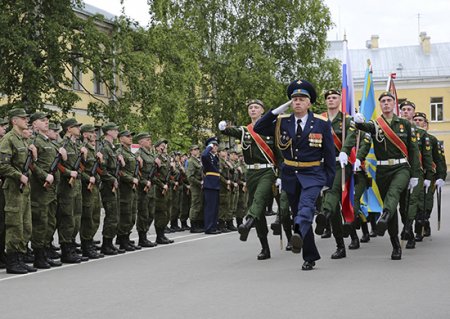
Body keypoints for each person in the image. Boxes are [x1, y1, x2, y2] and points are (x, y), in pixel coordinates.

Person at [254, 80, 335, 270]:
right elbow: (258, 128)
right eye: (294, 99)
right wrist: (275, 111)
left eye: (301, 99)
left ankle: (297, 229)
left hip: (313, 173)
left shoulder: (321, 123)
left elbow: (329, 153)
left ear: (309, 103)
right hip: (291, 174)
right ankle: (310, 256)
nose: (297, 102)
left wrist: (329, 181)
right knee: (298, 211)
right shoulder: (282, 121)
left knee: (305, 208)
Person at [354, 92, 420, 260]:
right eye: (383, 101)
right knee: (391, 208)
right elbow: (363, 127)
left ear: (394, 104)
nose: (386, 103)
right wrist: (358, 120)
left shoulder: (405, 124)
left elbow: (413, 150)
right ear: (380, 105)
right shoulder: (376, 124)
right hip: (383, 170)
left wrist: (414, 174)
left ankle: (386, 216)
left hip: (402, 168)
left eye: (389, 100)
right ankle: (395, 245)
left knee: (394, 194)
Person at [219, 99, 277, 260]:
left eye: (256, 107)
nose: (252, 110)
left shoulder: (271, 128)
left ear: (262, 111)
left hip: (267, 170)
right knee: (255, 207)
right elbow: (230, 131)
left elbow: (279, 150)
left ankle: (248, 222)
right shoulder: (245, 130)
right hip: (251, 173)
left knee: (259, 198)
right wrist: (223, 127)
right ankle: (264, 247)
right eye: (250, 107)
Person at [316, 89, 357, 259]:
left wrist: (345, 151)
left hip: (341, 163)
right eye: (328, 98)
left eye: (334, 97)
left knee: (333, 192)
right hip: (324, 165)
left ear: (340, 100)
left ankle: (323, 213)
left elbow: (352, 137)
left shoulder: (347, 120)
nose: (331, 100)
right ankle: (341, 245)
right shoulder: (319, 120)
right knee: (335, 208)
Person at [0, 108, 37, 274]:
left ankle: (20, 258)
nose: (26, 121)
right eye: (23, 118)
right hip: (14, 188)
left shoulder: (22, 140)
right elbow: (3, 165)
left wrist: (34, 156)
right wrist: (18, 176)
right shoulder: (8, 139)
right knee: (15, 225)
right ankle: (12, 261)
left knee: (26, 225)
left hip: (25, 189)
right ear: (14, 121)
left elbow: (26, 163)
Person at [29, 112, 63, 268]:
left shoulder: (48, 141)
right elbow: (31, 164)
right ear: (34, 124)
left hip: (52, 188)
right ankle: (38, 256)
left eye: (47, 120)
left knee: (50, 221)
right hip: (40, 189)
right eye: (42, 121)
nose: (46, 122)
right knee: (40, 222)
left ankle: (45, 251)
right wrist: (44, 176)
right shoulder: (34, 141)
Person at [398, 101, 433, 249]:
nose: (406, 112)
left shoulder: (422, 134)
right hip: (399, 170)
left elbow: (427, 158)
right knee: (402, 205)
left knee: (412, 201)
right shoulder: (396, 130)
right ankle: (410, 232)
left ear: (413, 112)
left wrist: (429, 178)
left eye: (409, 109)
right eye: (403, 109)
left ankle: (408, 229)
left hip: (416, 172)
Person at [57, 118, 88, 263]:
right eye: (76, 127)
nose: (79, 129)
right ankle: (66, 250)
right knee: (67, 219)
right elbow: (57, 165)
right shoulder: (62, 144)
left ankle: (72, 246)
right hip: (66, 188)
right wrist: (68, 172)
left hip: (77, 186)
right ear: (69, 129)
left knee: (76, 217)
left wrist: (84, 157)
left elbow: (81, 167)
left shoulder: (76, 145)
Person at [413, 113, 447, 241]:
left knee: (426, 200)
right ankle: (421, 224)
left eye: (420, 120)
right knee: (415, 201)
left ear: (426, 124)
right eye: (415, 120)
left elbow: (439, 160)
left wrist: (441, 177)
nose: (417, 122)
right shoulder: (410, 138)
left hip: (429, 175)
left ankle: (423, 224)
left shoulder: (432, 139)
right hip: (415, 174)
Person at [99, 122, 124, 255]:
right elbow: (102, 170)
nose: (116, 132)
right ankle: (106, 244)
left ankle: (110, 242)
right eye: (114, 130)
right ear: (108, 132)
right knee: (111, 215)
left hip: (113, 185)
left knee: (115, 215)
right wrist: (112, 179)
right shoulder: (104, 148)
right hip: (108, 186)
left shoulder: (111, 148)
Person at [79, 124, 104, 259]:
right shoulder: (82, 149)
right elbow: (79, 169)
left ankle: (90, 242)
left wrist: (100, 160)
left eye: (95, 132)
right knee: (88, 217)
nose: (95, 135)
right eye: (91, 132)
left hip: (95, 187)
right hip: (86, 187)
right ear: (85, 135)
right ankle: (86, 245)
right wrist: (88, 178)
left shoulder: (93, 149)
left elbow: (100, 169)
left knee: (95, 216)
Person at [116, 130, 141, 251]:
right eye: (128, 136)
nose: (131, 138)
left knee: (131, 214)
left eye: (131, 136)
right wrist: (131, 179)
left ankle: (126, 237)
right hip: (124, 188)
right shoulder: (119, 152)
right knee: (125, 214)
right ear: (121, 139)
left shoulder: (130, 152)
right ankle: (122, 240)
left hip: (132, 187)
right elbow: (119, 171)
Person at [135, 132, 157, 248]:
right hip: (143, 188)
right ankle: (142, 238)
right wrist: (144, 182)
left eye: (150, 139)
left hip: (151, 187)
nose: (150, 141)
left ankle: (145, 233)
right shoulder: (138, 154)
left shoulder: (151, 155)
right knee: (144, 213)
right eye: (147, 140)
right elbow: (136, 173)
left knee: (151, 213)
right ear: (141, 142)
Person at [201, 137, 221, 235]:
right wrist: (208, 147)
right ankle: (208, 227)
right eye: (214, 145)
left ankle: (213, 226)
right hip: (210, 184)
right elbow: (203, 155)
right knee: (210, 207)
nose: (216, 147)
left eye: (216, 145)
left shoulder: (215, 157)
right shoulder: (207, 156)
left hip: (216, 184)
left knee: (215, 207)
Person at [186, 145, 204, 233]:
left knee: (200, 205)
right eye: (195, 150)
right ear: (191, 151)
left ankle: (199, 224)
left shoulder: (198, 161)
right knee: (195, 205)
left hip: (201, 186)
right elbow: (190, 177)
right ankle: (193, 225)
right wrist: (199, 182)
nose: (197, 151)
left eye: (198, 149)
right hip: (195, 186)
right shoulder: (191, 162)